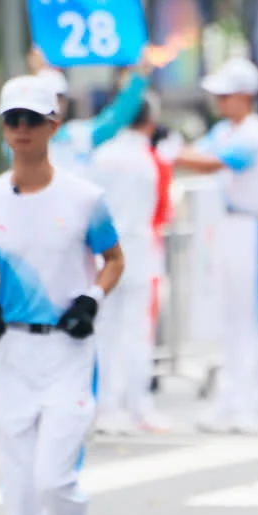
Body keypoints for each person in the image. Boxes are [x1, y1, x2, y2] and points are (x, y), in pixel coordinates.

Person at [0, 73, 124, 515]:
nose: (23, 129)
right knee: (18, 490)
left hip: (68, 351)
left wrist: (91, 299)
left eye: (33, 119)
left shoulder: (85, 198)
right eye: (14, 120)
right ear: (3, 129)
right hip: (12, 354)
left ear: (52, 124)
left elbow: (114, 259)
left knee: (54, 480)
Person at [171, 57, 258, 434]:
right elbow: (198, 153)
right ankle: (229, 402)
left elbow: (209, 163)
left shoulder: (253, 134)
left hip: (252, 228)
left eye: (225, 94)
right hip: (229, 225)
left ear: (245, 96)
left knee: (249, 319)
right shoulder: (225, 130)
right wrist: (172, 150)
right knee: (230, 319)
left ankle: (254, 404)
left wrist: (166, 152)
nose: (219, 100)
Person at [89, 95, 171, 434]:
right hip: (138, 252)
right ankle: (139, 407)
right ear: (149, 122)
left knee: (103, 331)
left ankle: (105, 407)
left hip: (104, 253)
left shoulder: (101, 156)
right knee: (137, 332)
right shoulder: (149, 159)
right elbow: (158, 209)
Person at [24, 46, 151, 177]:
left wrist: (138, 78)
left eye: (59, 97)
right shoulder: (21, 136)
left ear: (65, 101)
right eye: (45, 96)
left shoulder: (79, 135)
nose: (53, 103)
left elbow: (116, 117)